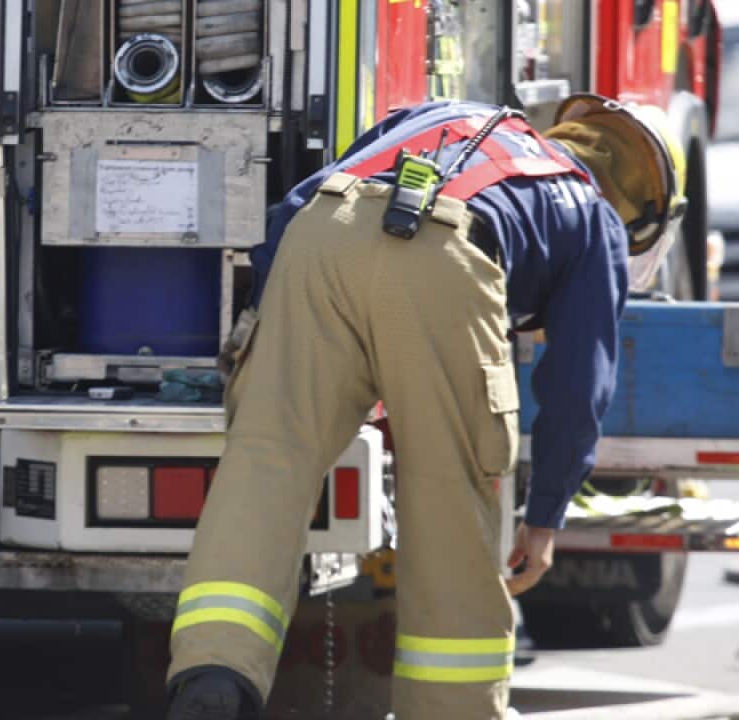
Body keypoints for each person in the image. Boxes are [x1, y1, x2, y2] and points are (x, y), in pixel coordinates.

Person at [164, 94, 687, 720]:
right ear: (644, 212)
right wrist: (545, 517)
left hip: (321, 233)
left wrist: (260, 324)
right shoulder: (590, 213)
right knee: (448, 498)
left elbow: (301, 201)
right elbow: (579, 387)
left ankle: (215, 674)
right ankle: (453, 708)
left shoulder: (448, 115)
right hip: (448, 253)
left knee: (267, 463)